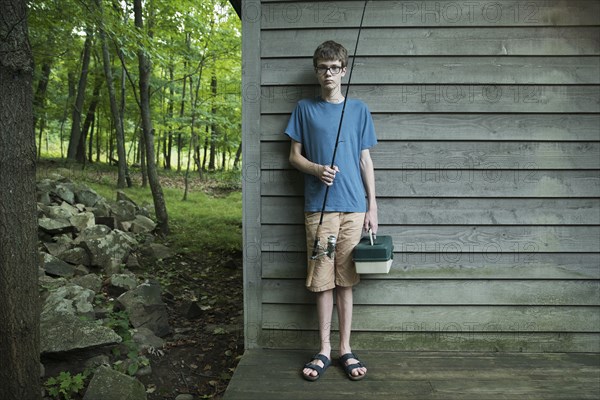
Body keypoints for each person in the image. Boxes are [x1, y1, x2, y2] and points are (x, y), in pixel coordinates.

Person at [284, 40, 378, 382]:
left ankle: (345, 349)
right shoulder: (304, 109)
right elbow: (294, 156)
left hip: (354, 209)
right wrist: (316, 169)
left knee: (346, 281)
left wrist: (373, 207)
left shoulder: (359, 110)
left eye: (335, 67)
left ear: (344, 70)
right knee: (323, 282)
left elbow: (366, 160)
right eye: (323, 67)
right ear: (316, 71)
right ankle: (323, 349)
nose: (329, 73)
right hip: (319, 210)